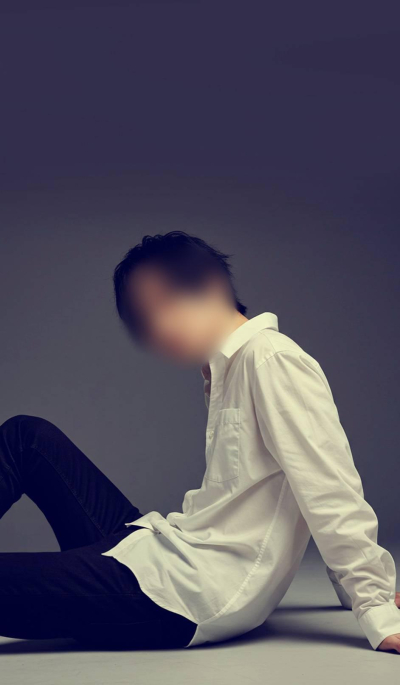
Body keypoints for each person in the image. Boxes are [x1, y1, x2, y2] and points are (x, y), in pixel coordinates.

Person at [0, 231, 399, 653]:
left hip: (189, 595)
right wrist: (347, 590)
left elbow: (327, 487)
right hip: (166, 552)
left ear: (210, 285)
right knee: (28, 437)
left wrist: (374, 604)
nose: (157, 329)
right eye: (143, 320)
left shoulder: (271, 358)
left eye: (166, 305)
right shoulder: (225, 369)